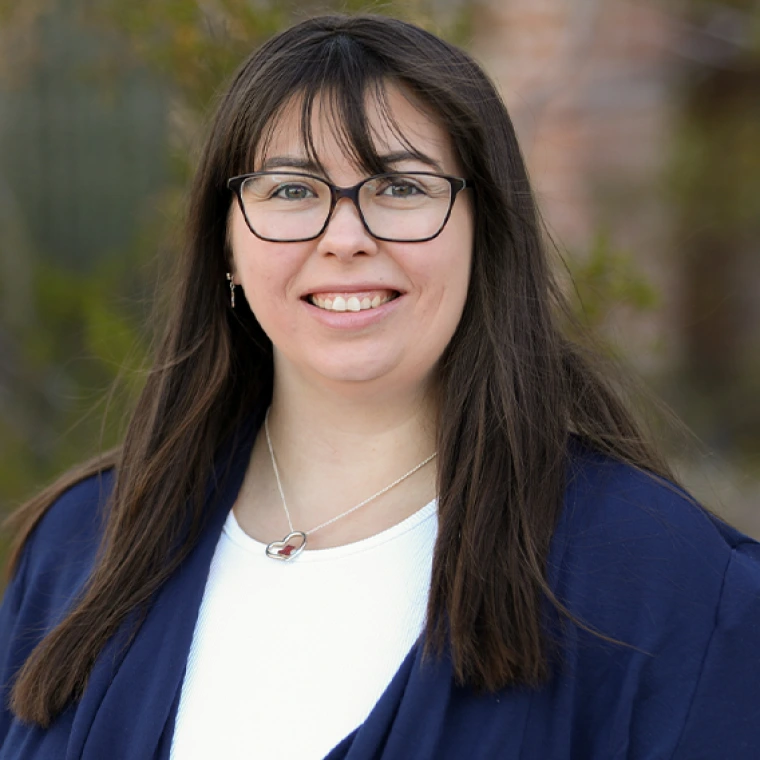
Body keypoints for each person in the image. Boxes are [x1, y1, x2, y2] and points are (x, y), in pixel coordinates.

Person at [0, 13, 758, 760]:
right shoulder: (82, 549)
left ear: (484, 233)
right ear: (225, 244)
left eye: (399, 187)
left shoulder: (654, 581)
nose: (345, 237)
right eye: (292, 191)